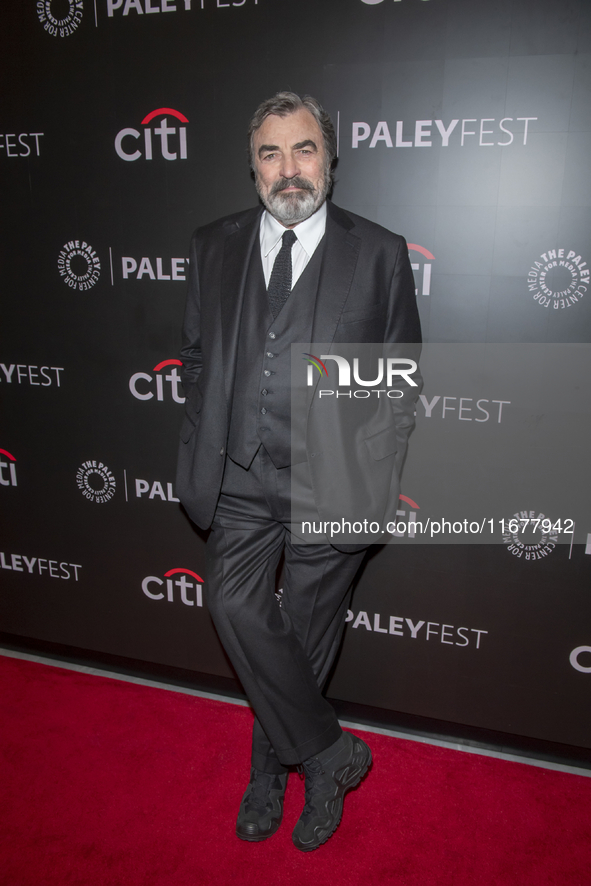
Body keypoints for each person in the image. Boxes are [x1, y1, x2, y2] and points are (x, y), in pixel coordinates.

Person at [176, 92, 421, 851]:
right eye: (271, 153)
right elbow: (194, 359)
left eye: (303, 149)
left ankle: (274, 774)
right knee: (237, 610)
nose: (289, 169)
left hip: (334, 482)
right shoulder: (213, 245)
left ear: (330, 160)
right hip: (239, 473)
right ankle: (328, 753)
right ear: (252, 169)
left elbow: (400, 375)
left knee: (307, 641)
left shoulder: (378, 251)